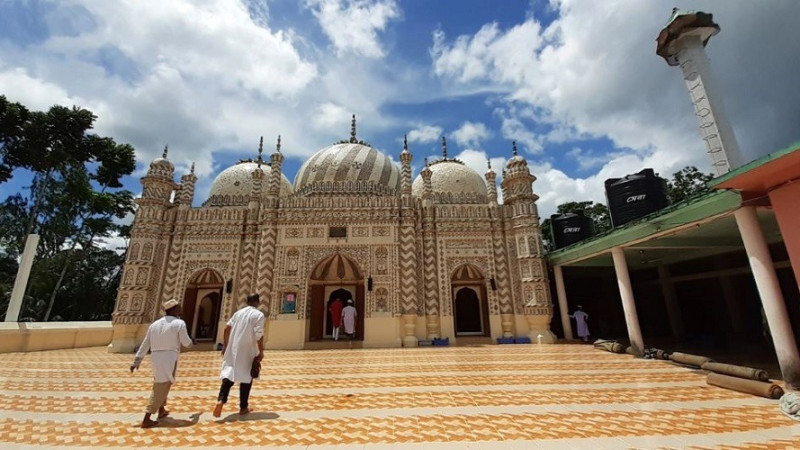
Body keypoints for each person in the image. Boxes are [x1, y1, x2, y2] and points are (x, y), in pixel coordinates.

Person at [130, 298, 193, 428]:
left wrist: (137, 360)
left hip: (156, 357)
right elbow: (186, 342)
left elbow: (145, 343)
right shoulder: (179, 323)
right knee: (162, 385)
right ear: (174, 309)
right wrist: (192, 342)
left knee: (161, 381)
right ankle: (147, 417)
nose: (181, 309)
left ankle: (161, 410)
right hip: (169, 358)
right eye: (178, 307)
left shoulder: (154, 324)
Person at [213, 293, 265, 417]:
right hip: (248, 349)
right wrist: (261, 351)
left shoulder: (238, 313)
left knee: (229, 374)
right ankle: (243, 407)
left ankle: (221, 399)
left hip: (233, 347)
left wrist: (226, 346)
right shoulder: (258, 315)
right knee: (247, 376)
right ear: (257, 302)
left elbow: (226, 329)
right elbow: (259, 334)